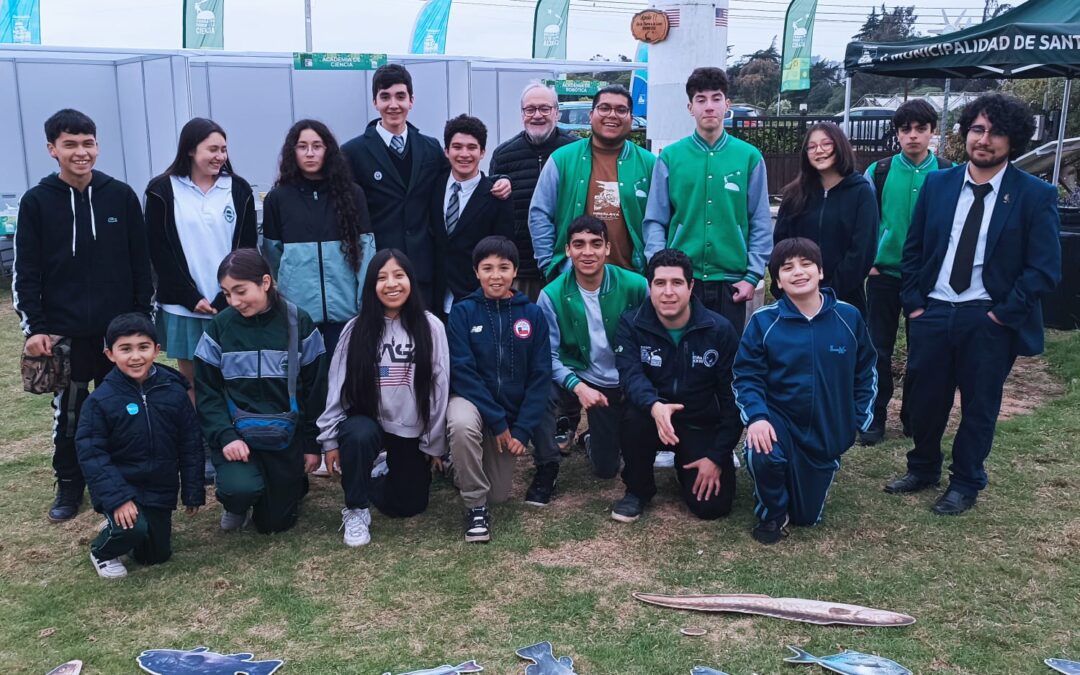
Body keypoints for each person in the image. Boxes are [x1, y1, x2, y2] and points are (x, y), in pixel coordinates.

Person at [884, 94, 1061, 515]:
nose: (984, 140)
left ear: (1012, 140)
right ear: (966, 133)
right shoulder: (938, 184)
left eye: (996, 132)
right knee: (925, 401)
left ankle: (965, 481)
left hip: (988, 318)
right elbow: (914, 250)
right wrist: (915, 305)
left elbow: (1044, 270)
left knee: (979, 405)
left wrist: (1001, 315)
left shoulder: (1034, 195)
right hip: (934, 312)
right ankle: (923, 466)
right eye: (977, 129)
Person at [13, 108, 153, 522]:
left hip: (118, 336)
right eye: (70, 144)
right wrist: (35, 328)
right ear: (52, 149)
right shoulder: (37, 201)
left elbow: (140, 264)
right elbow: (27, 271)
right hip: (65, 335)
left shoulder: (120, 195)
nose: (81, 152)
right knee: (71, 413)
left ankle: (122, 482)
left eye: (87, 143)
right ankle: (71, 484)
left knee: (125, 410)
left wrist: (140, 321)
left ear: (97, 145)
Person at [734, 238, 877, 544]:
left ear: (821, 271)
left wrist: (855, 419)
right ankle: (772, 511)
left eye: (806, 264)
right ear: (779, 281)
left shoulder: (848, 317)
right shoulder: (764, 322)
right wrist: (757, 417)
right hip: (779, 420)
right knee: (765, 453)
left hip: (827, 428)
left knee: (807, 519)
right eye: (787, 268)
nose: (798, 272)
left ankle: (800, 487)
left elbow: (866, 369)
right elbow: (746, 375)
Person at [145, 118, 258, 483]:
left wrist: (227, 296)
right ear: (190, 149)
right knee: (194, 381)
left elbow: (245, 246)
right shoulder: (163, 190)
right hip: (184, 307)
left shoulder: (237, 189)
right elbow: (159, 250)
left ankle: (234, 440)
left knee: (229, 378)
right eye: (212, 149)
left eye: (223, 150)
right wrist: (191, 297)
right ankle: (204, 448)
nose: (220, 157)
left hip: (230, 304)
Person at [341, 64, 510, 306]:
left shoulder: (429, 148)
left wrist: (498, 180)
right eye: (385, 97)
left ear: (411, 100)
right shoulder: (352, 153)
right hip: (381, 272)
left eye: (401, 96)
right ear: (374, 102)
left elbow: (460, 177)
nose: (393, 104)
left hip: (425, 273)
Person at [317, 249, 450, 547]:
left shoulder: (431, 327)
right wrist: (329, 440)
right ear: (371, 287)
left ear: (411, 281)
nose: (391, 284)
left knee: (409, 506)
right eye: (381, 278)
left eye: (399, 275)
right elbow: (336, 386)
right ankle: (355, 507)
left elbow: (440, 389)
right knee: (360, 435)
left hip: (410, 428)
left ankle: (378, 471)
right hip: (366, 421)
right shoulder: (355, 328)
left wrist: (433, 443)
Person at [194, 249, 327, 534]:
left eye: (240, 291)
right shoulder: (219, 327)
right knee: (239, 490)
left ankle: (290, 484)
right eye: (227, 294)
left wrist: (311, 444)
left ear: (265, 282)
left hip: (284, 436)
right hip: (238, 438)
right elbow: (207, 392)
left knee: (274, 524)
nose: (234, 301)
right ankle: (236, 503)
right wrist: (226, 436)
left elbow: (317, 388)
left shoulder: (298, 321)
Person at [612, 248, 742, 523]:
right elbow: (630, 376)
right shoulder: (631, 323)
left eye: (677, 283)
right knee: (632, 413)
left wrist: (716, 457)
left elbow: (733, 399)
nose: (668, 292)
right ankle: (638, 489)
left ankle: (691, 465)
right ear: (649, 287)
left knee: (712, 508)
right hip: (652, 418)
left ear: (691, 286)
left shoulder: (719, 330)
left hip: (699, 421)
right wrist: (655, 405)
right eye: (660, 283)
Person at [642, 67, 772, 332]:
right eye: (701, 100)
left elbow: (759, 219)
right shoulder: (670, 157)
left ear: (727, 104)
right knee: (682, 357)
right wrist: (661, 268)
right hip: (682, 279)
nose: (709, 106)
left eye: (716, 98)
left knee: (725, 361)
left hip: (731, 281)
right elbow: (655, 219)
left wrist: (753, 275)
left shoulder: (749, 157)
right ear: (690, 107)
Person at [76, 313, 204, 579]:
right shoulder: (100, 401)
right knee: (131, 529)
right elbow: (92, 454)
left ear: (156, 350)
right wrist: (118, 498)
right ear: (110, 354)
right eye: (125, 349)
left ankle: (129, 525)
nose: (136, 357)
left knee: (155, 557)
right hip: (122, 486)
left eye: (143, 347)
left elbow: (190, 443)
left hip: (160, 486)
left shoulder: (174, 392)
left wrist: (193, 490)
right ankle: (103, 549)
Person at [446, 236, 553, 541]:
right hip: (471, 402)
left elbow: (540, 375)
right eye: (487, 268)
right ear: (476, 272)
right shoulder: (463, 311)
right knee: (462, 424)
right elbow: (463, 371)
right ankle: (475, 507)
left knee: (500, 494)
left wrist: (522, 430)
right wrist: (496, 419)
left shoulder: (532, 314)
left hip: (510, 416)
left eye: (503, 267)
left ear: (515, 271)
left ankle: (461, 468)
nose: (496, 275)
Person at [860, 100, 954, 445]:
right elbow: (867, 220)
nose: (913, 136)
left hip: (929, 280)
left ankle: (914, 415)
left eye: (920, 129)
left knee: (924, 350)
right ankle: (875, 416)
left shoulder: (948, 172)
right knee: (878, 348)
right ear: (897, 134)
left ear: (932, 132)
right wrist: (869, 261)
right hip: (884, 274)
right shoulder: (879, 172)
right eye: (905, 130)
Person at [537, 215, 648, 481]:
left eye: (596, 244)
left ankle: (600, 432)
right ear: (567, 250)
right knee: (606, 470)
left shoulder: (636, 285)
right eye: (578, 244)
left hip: (631, 377)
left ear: (607, 248)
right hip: (588, 380)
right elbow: (548, 356)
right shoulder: (550, 295)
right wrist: (579, 387)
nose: (587, 252)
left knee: (637, 444)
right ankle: (581, 443)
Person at [262, 118, 375, 354]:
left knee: (345, 379)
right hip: (298, 313)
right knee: (305, 380)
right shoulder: (278, 199)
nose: (310, 153)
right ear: (293, 152)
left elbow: (366, 252)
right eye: (302, 147)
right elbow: (273, 254)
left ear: (328, 150)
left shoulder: (352, 194)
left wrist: (362, 303)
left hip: (346, 312)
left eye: (317, 146)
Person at [529, 84, 655, 280]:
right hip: (573, 281)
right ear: (591, 115)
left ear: (631, 118)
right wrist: (550, 267)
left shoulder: (648, 163)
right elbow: (540, 214)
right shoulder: (562, 159)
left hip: (632, 281)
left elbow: (660, 221)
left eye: (621, 110)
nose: (612, 115)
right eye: (604, 108)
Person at [773, 121, 877, 314]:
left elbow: (862, 251)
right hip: (796, 298)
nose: (818, 150)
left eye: (826, 144)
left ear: (840, 146)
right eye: (811, 147)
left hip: (845, 300)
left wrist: (826, 294)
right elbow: (781, 244)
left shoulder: (861, 192)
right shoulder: (794, 194)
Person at [489, 82, 576, 300]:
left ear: (557, 112)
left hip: (566, 265)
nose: (537, 115)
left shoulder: (575, 151)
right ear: (522, 114)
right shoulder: (504, 156)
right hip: (521, 269)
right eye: (530, 109)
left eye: (544, 108)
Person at [432, 114, 514, 316]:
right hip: (433, 296)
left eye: (472, 147)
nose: (464, 154)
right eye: (457, 147)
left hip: (476, 299)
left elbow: (502, 249)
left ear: (483, 152)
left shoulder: (497, 196)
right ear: (446, 151)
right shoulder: (432, 186)